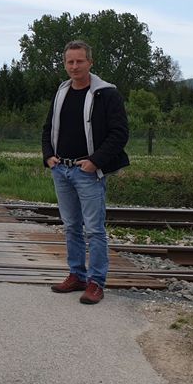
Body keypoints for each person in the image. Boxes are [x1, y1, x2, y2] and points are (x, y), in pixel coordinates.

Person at [41, 40, 129, 305]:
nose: (74, 66)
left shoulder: (106, 94)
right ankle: (77, 275)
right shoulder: (61, 92)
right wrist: (48, 156)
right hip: (61, 169)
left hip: (88, 172)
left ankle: (96, 282)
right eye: (70, 61)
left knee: (94, 230)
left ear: (90, 62)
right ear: (64, 63)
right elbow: (48, 128)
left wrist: (95, 162)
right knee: (71, 227)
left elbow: (119, 134)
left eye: (80, 61)